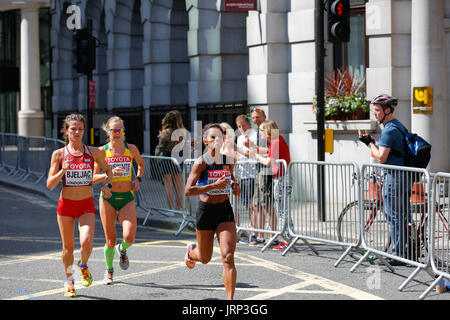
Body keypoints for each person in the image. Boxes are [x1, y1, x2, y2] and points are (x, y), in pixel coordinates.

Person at [46, 114, 113, 298]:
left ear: (84, 131)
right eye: (73, 128)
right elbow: (50, 184)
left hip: (85, 204)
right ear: (66, 131)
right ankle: (70, 281)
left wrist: (107, 187)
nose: (76, 132)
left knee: (86, 242)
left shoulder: (93, 152)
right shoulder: (59, 154)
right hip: (66, 205)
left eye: (80, 129)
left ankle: (83, 265)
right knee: (68, 248)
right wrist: (63, 170)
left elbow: (108, 171)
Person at [184, 123, 241, 300]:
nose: (217, 140)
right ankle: (191, 253)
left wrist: (234, 186)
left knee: (228, 256)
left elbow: (229, 177)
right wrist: (212, 186)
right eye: (213, 137)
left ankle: (230, 301)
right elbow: (188, 190)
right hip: (206, 212)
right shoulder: (201, 163)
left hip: (224, 211)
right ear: (206, 141)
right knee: (205, 257)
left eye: (220, 136)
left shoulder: (228, 160)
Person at [358, 94, 412, 266]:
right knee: (402, 216)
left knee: (394, 216)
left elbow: (381, 157)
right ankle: (408, 252)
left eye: (377, 110)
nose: (375, 113)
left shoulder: (389, 130)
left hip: (394, 178)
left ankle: (398, 254)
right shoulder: (399, 126)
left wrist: (369, 143)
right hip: (404, 176)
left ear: (387, 110)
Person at [93, 116, 145, 284]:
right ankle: (109, 271)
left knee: (129, 237)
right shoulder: (102, 151)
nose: (117, 133)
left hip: (127, 198)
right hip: (108, 198)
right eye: (114, 130)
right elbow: (93, 177)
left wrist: (138, 179)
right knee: (110, 239)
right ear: (108, 131)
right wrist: (108, 175)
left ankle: (122, 250)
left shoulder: (131, 148)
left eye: (120, 130)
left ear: (123, 131)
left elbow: (141, 165)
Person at [253, 120, 291, 250]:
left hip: (280, 178)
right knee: (282, 210)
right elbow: (269, 154)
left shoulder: (276, 141)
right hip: (280, 178)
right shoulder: (276, 140)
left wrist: (256, 156)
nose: (260, 133)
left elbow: (269, 162)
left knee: (282, 211)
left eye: (262, 130)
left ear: (268, 131)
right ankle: (288, 239)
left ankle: (287, 240)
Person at [234, 114, 258, 245]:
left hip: (252, 174)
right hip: (243, 174)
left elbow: (253, 154)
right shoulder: (240, 138)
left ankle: (256, 232)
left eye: (243, 125)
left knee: (253, 206)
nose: (242, 128)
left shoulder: (254, 135)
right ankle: (253, 230)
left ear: (249, 124)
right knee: (248, 205)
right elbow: (239, 155)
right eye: (239, 126)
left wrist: (238, 149)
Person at [155, 111, 184, 210]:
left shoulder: (166, 132)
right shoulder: (183, 132)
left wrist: (160, 138)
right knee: (179, 187)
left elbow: (160, 147)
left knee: (168, 186)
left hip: (167, 157)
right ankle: (179, 208)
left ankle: (170, 209)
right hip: (179, 157)